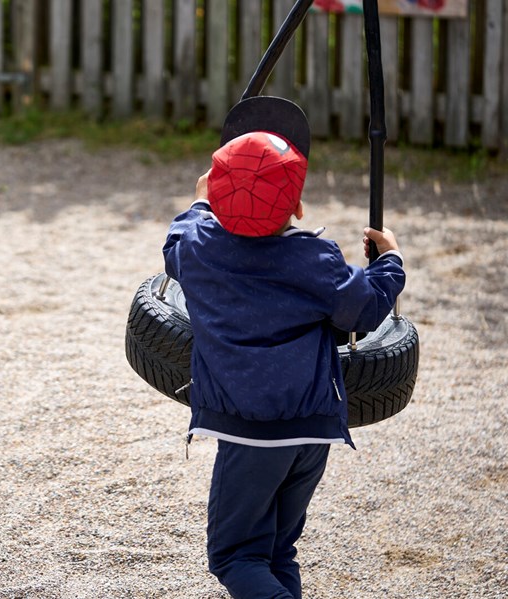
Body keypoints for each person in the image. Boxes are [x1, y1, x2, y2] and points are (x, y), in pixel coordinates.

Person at [162, 96, 405, 599]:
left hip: (251, 434)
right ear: (297, 206)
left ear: (214, 194)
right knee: (276, 550)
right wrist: (390, 262)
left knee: (235, 556)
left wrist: (201, 202)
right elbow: (364, 309)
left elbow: (176, 242)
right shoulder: (313, 258)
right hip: (313, 431)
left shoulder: (200, 249)